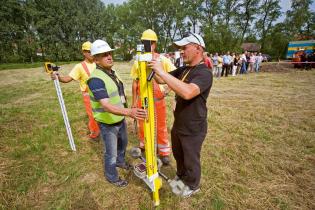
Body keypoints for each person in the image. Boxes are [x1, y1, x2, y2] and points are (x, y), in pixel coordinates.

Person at [148, 33, 212, 197]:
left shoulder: (204, 72)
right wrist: (151, 66)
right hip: (179, 122)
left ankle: (192, 185)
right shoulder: (185, 69)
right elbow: (163, 80)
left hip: (193, 126)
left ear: (198, 48)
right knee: (179, 153)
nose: (181, 52)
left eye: (184, 48)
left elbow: (188, 92)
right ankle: (181, 176)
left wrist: (161, 72)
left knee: (191, 158)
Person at [87, 40, 146, 187]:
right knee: (110, 153)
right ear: (96, 59)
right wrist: (130, 112)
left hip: (119, 118)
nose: (109, 57)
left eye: (109, 53)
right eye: (103, 55)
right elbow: (106, 105)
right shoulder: (95, 79)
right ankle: (112, 176)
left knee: (123, 144)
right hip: (107, 123)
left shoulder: (111, 73)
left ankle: (121, 161)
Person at [130, 29, 176, 165]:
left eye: (149, 43)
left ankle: (164, 152)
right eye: (144, 42)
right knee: (142, 124)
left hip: (157, 101)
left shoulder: (163, 60)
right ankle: (145, 145)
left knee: (160, 126)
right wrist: (133, 102)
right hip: (142, 101)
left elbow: (175, 77)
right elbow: (135, 82)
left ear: (154, 44)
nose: (146, 45)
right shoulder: (137, 61)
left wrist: (167, 90)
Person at [51, 41, 100, 140]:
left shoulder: (98, 63)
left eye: (93, 51)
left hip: (101, 93)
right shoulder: (79, 67)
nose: (92, 53)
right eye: (89, 51)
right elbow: (67, 79)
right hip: (88, 96)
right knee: (93, 117)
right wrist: (58, 77)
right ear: (84, 52)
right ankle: (95, 134)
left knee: (103, 113)